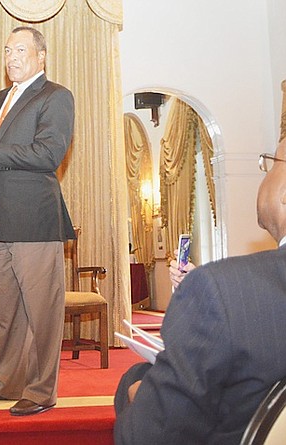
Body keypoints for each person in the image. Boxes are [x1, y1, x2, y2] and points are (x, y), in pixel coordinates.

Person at [113, 142, 286, 444]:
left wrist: (134, 384)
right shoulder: (229, 290)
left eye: (270, 164)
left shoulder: (222, 291)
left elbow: (151, 436)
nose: (264, 175)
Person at [0, 26, 75, 416]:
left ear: (42, 56)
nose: (11, 57)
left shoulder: (56, 96)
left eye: (20, 50)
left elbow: (48, 153)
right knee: (6, 312)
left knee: (42, 311)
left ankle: (41, 391)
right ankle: (6, 382)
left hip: (35, 221)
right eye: (7, 50)